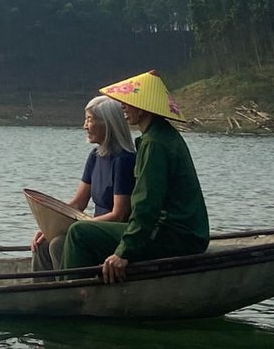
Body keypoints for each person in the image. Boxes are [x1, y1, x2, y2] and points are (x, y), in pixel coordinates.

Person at [61, 70, 210, 282]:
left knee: (79, 233)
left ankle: (72, 295)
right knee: (74, 234)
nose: (124, 107)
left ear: (144, 109)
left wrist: (124, 252)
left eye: (129, 103)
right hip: (178, 233)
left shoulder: (155, 144)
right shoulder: (159, 137)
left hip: (177, 237)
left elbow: (146, 206)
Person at [32, 95, 136, 269]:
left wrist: (79, 228)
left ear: (108, 123)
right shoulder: (96, 156)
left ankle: (66, 289)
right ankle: (43, 292)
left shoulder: (124, 160)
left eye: (89, 120)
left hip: (114, 234)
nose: (85, 126)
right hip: (91, 228)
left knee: (58, 245)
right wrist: (50, 227)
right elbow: (78, 202)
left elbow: (119, 214)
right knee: (42, 244)